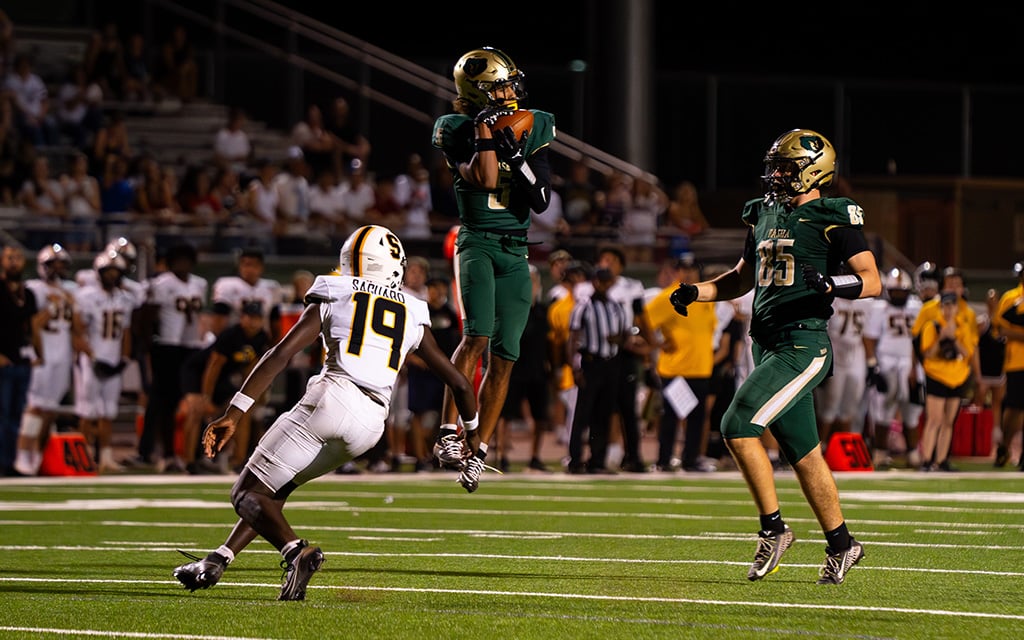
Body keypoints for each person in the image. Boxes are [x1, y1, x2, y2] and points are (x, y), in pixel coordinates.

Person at [172, 224, 478, 601]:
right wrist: (473, 438)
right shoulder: (413, 308)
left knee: (244, 494)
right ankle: (217, 560)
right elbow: (461, 383)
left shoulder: (337, 290)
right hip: (370, 424)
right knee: (273, 489)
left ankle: (295, 551)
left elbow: (281, 355)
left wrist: (234, 412)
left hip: (332, 398)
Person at [668, 129, 880, 584]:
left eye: (787, 167)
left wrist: (832, 285)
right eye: (776, 167)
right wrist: (698, 292)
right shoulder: (763, 212)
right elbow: (742, 278)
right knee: (804, 454)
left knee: (736, 425)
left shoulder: (833, 213)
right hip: (764, 343)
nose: (777, 175)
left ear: (814, 171)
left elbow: (872, 279)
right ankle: (843, 543)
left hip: (803, 343)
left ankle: (774, 529)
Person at [429, 47, 556, 492]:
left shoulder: (532, 125)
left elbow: (540, 199)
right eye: (499, 86)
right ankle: (449, 432)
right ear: (476, 93)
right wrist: (485, 130)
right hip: (478, 242)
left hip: (516, 250)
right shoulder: (455, 128)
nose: (509, 92)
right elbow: (481, 178)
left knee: (506, 356)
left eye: (509, 84)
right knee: (476, 335)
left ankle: (478, 448)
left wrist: (516, 157)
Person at [131, 242, 207, 471]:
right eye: (178, 260)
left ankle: (193, 454)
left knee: (192, 400)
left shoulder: (199, 283)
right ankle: (153, 452)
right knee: (161, 401)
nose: (182, 264)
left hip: (191, 346)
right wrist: (147, 348)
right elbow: (145, 317)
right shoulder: (161, 284)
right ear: (170, 263)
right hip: (166, 346)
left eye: (186, 260)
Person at [644, 255, 717, 472]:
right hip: (675, 369)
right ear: (676, 272)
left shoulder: (704, 297)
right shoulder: (668, 296)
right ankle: (664, 460)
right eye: (683, 269)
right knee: (670, 419)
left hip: (701, 368)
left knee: (696, 420)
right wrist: (655, 342)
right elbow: (642, 319)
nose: (688, 273)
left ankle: (691, 459)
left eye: (692, 269)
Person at [12, 244, 77, 476]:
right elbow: (32, 323)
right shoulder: (34, 289)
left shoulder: (70, 290)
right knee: (34, 407)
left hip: (63, 353)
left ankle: (37, 457)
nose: (57, 270)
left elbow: (77, 325)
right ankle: (22, 456)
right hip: (43, 352)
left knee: (49, 409)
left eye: (61, 265)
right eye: (53, 265)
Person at [71, 250, 136, 472]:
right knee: (88, 412)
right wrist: (92, 356)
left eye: (116, 271)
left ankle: (106, 457)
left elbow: (126, 331)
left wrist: (125, 358)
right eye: (108, 271)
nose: (112, 275)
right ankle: (84, 456)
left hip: (114, 360)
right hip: (92, 360)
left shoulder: (124, 298)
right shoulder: (87, 296)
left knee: (108, 412)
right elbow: (78, 331)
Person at [566, 267, 629, 473]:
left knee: (603, 414)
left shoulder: (615, 307)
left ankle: (597, 460)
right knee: (583, 414)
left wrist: (617, 339)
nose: (605, 285)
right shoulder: (583, 306)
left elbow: (624, 335)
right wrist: (574, 369)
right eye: (602, 281)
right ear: (595, 282)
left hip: (611, 363)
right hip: (590, 362)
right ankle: (575, 460)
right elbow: (573, 339)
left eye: (608, 281)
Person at [863, 267, 923, 469]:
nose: (898, 296)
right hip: (886, 362)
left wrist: (918, 365)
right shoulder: (879, 309)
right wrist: (873, 365)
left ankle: (912, 452)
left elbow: (921, 338)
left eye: (902, 292)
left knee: (912, 409)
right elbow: (869, 338)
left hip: (911, 363)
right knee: (883, 409)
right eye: (895, 292)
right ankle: (880, 452)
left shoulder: (917, 307)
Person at [1, 245, 42, 476]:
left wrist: (38, 354)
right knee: (3, 415)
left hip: (22, 361)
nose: (13, 262)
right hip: (4, 360)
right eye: (9, 258)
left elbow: (32, 327)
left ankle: (11, 462)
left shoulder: (28, 293)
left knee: (17, 415)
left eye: (17, 258)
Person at [995, 260, 1024, 469]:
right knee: (1014, 408)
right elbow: (1001, 330)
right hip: (1017, 361)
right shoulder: (1012, 298)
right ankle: (1004, 446)